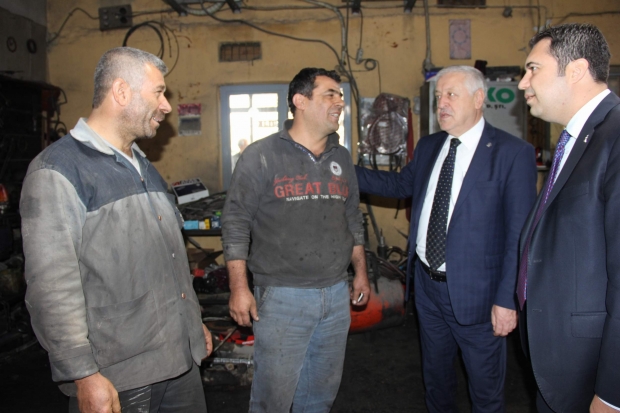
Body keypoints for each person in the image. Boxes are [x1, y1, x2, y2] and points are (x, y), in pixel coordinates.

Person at [20, 47, 212, 413]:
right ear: (121, 92)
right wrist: (83, 374)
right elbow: (52, 287)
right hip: (120, 374)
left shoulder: (143, 166)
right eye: (159, 93)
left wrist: (191, 322)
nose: (166, 106)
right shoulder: (57, 170)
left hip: (179, 360)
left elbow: (167, 259)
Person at [356, 65, 537, 412]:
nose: (442, 103)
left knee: (485, 391)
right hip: (427, 289)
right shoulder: (430, 146)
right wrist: (339, 169)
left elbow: (520, 235)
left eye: (451, 94)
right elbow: (398, 185)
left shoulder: (512, 153)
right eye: (439, 96)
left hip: (479, 297)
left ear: (479, 99)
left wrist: (508, 300)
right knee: (436, 379)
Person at [221, 67, 370, 413]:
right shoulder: (261, 155)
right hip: (282, 298)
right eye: (330, 95)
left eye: (340, 96)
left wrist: (360, 273)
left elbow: (352, 218)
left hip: (336, 296)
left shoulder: (341, 157)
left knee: (319, 397)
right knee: (273, 400)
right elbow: (236, 221)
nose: (339, 102)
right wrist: (239, 288)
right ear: (300, 101)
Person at [517, 23, 620, 413]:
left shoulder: (616, 137)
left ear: (576, 70)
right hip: (560, 361)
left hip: (593, 373)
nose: (523, 83)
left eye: (533, 69)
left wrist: (612, 394)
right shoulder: (577, 139)